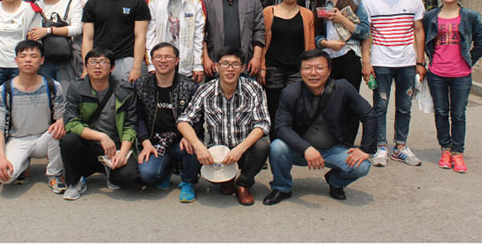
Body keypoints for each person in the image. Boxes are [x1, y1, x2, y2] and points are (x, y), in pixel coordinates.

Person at [263, 50, 375, 205]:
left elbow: (369, 115)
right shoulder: (290, 93)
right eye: (307, 68)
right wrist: (306, 148)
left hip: (333, 149)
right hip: (300, 150)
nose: (313, 73)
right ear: (301, 71)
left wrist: (366, 149)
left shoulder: (343, 88)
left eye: (319, 68)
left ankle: (335, 181)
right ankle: (281, 187)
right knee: (277, 147)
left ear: (329, 71)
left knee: (362, 166)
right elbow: (282, 127)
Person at [177, 46, 270, 206]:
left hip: (244, 149)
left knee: (262, 145)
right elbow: (184, 120)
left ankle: (243, 184)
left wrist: (240, 149)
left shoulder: (253, 89)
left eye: (235, 64)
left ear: (242, 68)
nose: (230, 68)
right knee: (191, 142)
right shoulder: (205, 90)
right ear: (216, 66)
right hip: (217, 151)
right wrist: (199, 146)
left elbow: (263, 123)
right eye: (225, 64)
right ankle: (227, 180)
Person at [361, 0, 426, 167]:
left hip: (407, 62)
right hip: (381, 61)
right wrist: (366, 61)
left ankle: (400, 146)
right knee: (380, 105)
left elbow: (418, 30)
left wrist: (420, 61)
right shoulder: (369, 1)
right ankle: (381, 146)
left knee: (405, 106)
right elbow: (366, 33)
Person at [422, 0, 482, 174]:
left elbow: (481, 44)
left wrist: (468, 61)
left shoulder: (471, 16)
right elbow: (424, 41)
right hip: (437, 73)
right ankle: (445, 150)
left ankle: (458, 152)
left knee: (458, 114)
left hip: (461, 74)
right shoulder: (430, 17)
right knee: (441, 112)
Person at [60, 47, 139, 200]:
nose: (97, 66)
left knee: (129, 177)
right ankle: (74, 182)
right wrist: (101, 136)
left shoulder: (125, 90)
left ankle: (110, 171)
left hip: (115, 146)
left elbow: (130, 126)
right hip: (88, 144)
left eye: (103, 62)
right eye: (93, 62)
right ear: (85, 66)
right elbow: (71, 123)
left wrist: (123, 153)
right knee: (68, 140)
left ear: (112, 67)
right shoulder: (76, 88)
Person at [0, 40, 67, 191]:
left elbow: (61, 118)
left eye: (33, 56)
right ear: (16, 60)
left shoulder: (53, 86)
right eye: (23, 56)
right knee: (4, 177)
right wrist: (1, 158)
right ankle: (22, 163)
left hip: (44, 138)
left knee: (58, 131)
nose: (28, 60)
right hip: (17, 139)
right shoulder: (4, 90)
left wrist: (61, 122)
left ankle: (54, 173)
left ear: (42, 60)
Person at [135, 43, 202, 203]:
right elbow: (138, 117)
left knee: (193, 146)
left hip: (180, 139)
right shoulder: (141, 85)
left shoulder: (189, 86)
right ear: (151, 60)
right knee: (147, 175)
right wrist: (145, 141)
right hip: (156, 140)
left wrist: (190, 136)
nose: (163, 60)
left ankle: (188, 182)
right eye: (158, 57)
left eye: (168, 57)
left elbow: (198, 118)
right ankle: (166, 169)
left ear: (177, 60)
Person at [315, 0, 371, 143]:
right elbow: (315, 35)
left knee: (349, 99)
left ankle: (347, 141)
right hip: (327, 58)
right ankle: (331, 139)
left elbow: (365, 32)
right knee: (328, 100)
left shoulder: (355, 4)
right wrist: (325, 43)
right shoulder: (320, 4)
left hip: (349, 56)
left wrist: (342, 19)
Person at [81, 0, 151, 83]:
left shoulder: (137, 2)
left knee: (128, 95)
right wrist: (86, 67)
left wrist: (136, 67)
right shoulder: (92, 4)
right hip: (99, 61)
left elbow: (140, 37)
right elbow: (87, 38)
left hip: (127, 60)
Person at [259, 0, 315, 130]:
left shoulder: (307, 14)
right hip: (273, 67)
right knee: (274, 107)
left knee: (296, 108)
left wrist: (310, 67)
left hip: (297, 68)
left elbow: (310, 45)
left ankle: (293, 139)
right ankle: (275, 139)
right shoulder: (268, 12)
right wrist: (262, 67)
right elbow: (261, 41)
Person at [202, 0, 266, 79]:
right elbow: (201, 32)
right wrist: (205, 58)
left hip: (246, 63)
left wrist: (257, 58)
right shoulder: (206, 0)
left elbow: (259, 30)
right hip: (216, 64)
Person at [146, 0, 205, 83]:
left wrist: (198, 65)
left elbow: (199, 36)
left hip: (187, 64)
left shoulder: (195, 3)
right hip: (160, 64)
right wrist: (151, 64)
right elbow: (149, 35)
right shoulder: (153, 2)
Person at [27, 0, 83, 85]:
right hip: (44, 59)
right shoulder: (36, 5)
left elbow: (77, 29)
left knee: (67, 91)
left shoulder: (72, 2)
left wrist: (48, 31)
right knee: (46, 91)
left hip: (67, 57)